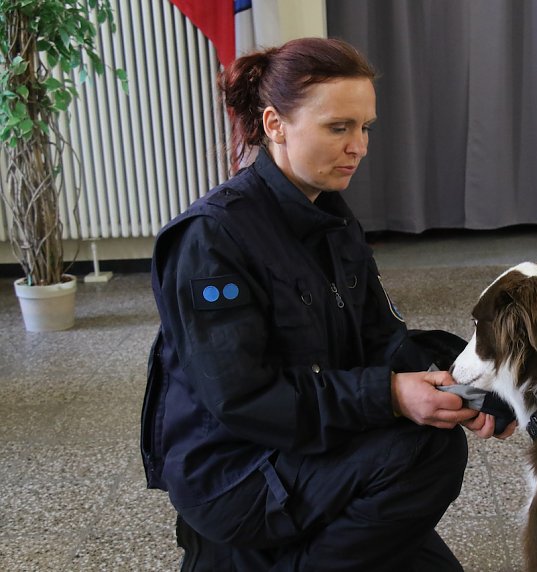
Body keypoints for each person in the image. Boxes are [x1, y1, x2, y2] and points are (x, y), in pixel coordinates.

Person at [141, 37, 514, 571]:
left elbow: (382, 340)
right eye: (338, 128)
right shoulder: (211, 238)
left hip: (309, 440)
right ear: (275, 124)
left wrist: (471, 384)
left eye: (365, 128)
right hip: (237, 473)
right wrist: (390, 395)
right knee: (425, 452)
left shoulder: (331, 217)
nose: (358, 147)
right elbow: (244, 399)